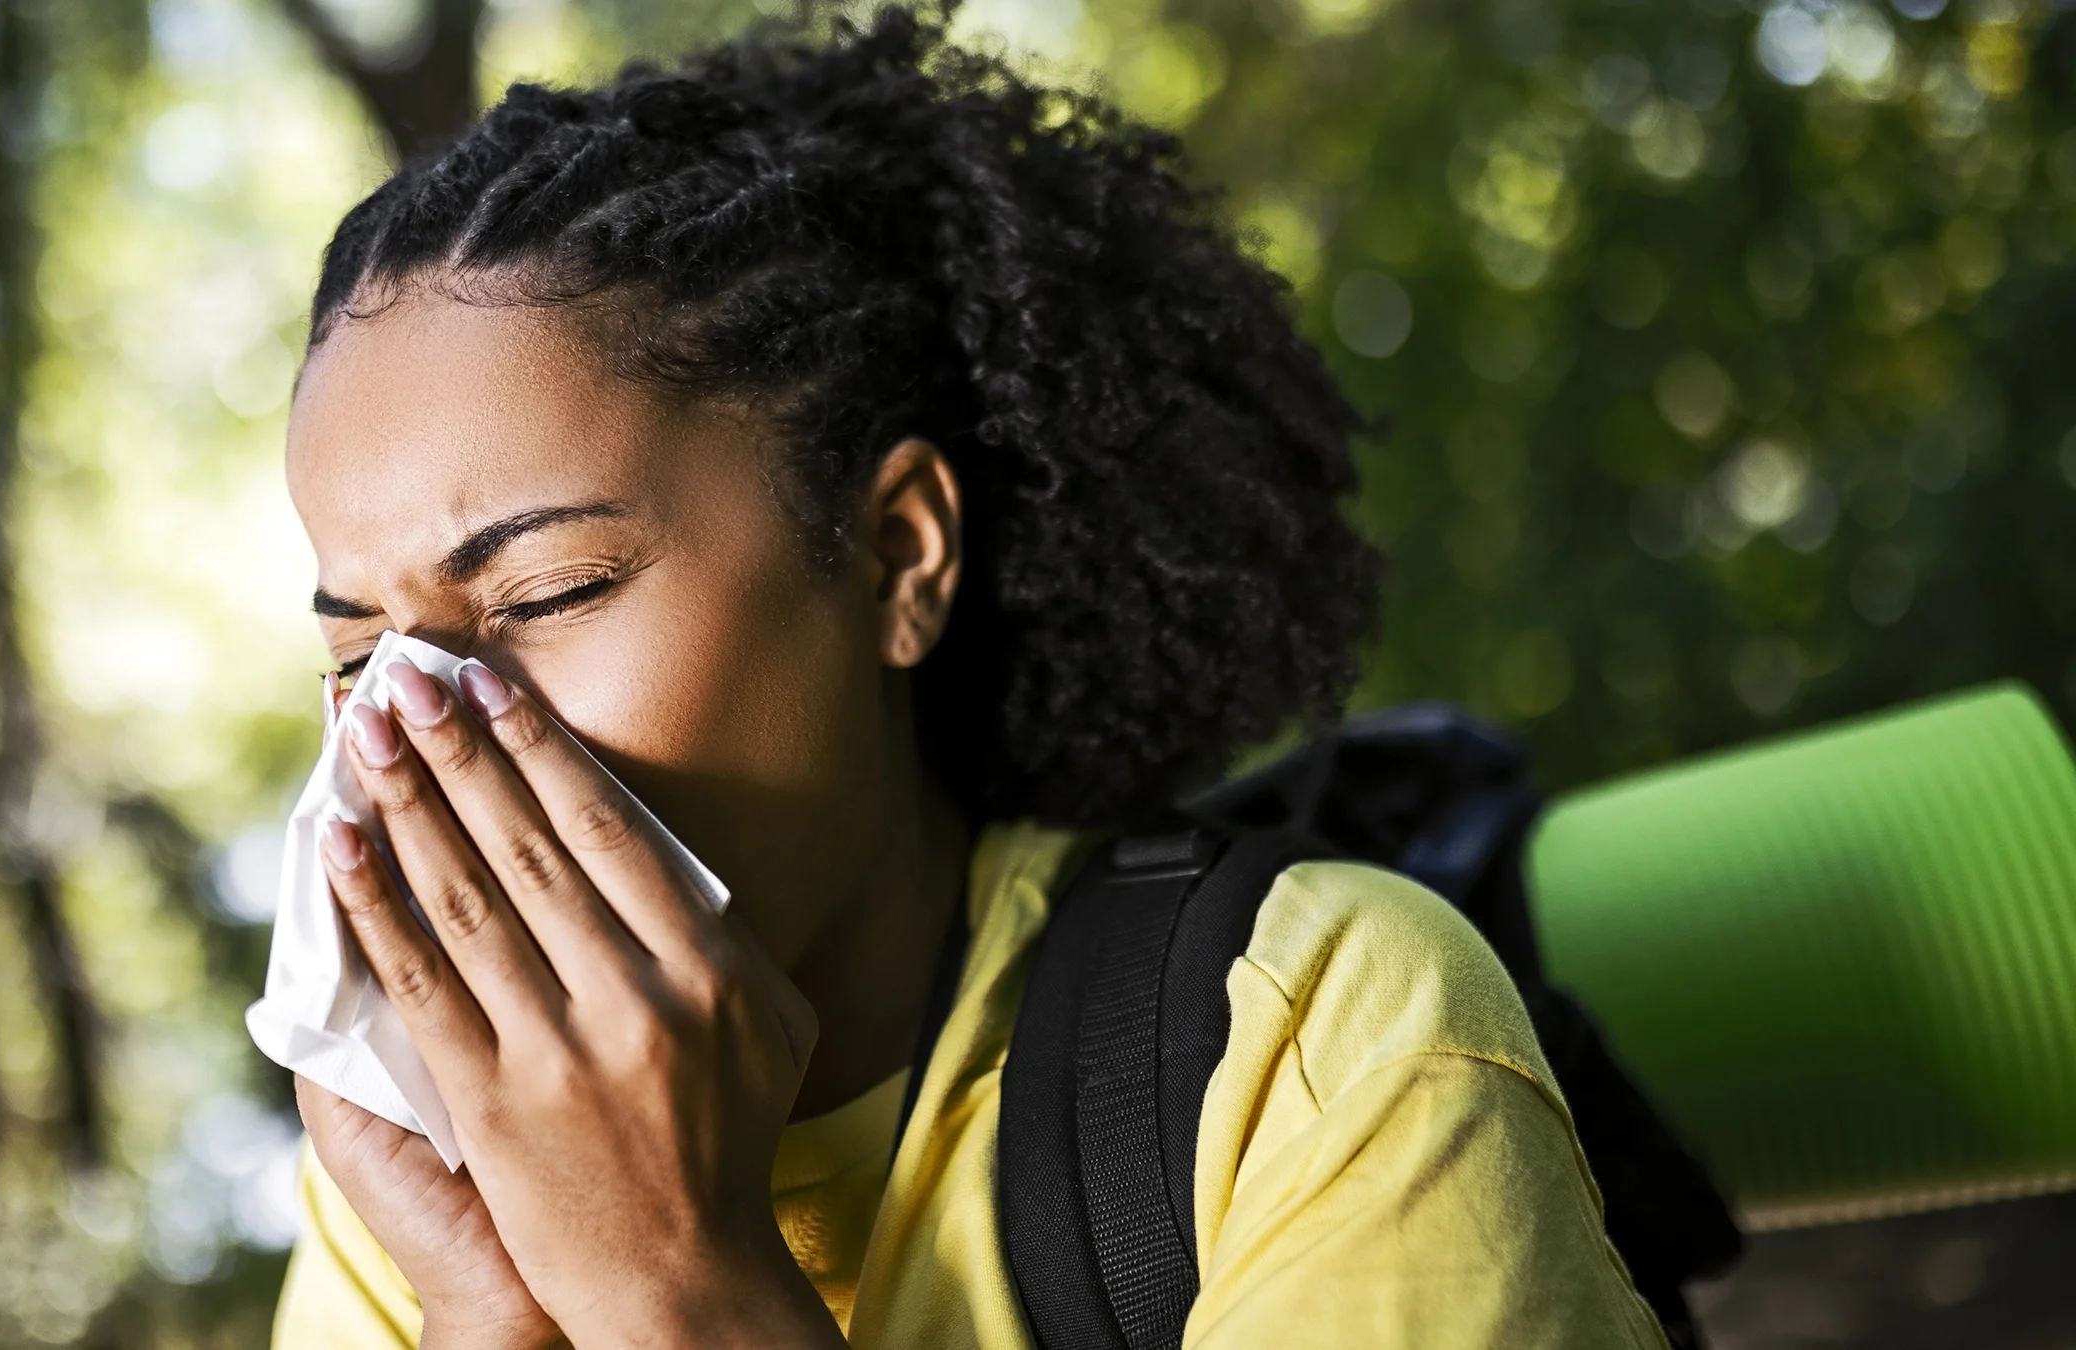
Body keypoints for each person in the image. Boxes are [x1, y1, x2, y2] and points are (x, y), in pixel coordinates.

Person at [268, 8, 1666, 1347]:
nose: (415, 727)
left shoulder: (1309, 1037)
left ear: (896, 556)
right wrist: (489, 1317)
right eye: (355, 654)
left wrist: (671, 1291)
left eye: (546, 593)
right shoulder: (408, 1206)